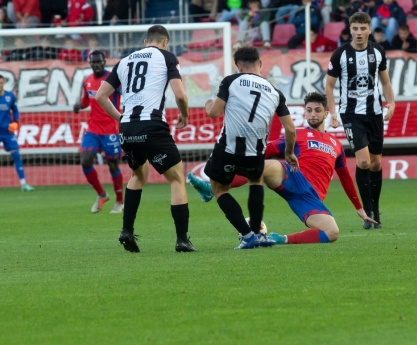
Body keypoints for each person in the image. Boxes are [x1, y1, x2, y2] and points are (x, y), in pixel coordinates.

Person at [188, 92, 375, 245]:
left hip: (310, 196)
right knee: (264, 165)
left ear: (326, 113)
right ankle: (210, 188)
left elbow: (345, 177)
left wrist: (359, 208)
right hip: (293, 175)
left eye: (317, 111)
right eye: (309, 110)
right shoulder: (298, 134)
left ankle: (280, 239)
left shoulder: (336, 144)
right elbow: (267, 149)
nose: (312, 115)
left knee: (332, 232)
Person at [95, 25, 195, 253]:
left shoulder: (124, 61)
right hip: (152, 125)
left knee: (138, 175)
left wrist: (121, 118)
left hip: (128, 128)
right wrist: (185, 115)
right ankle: (182, 239)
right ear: (164, 42)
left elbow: (101, 96)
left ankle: (126, 231)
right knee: (177, 178)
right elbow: (180, 94)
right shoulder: (167, 57)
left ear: (145, 41)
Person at [197, 47, 298, 249]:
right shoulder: (275, 92)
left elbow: (214, 113)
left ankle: (248, 235)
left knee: (219, 188)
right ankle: (259, 235)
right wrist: (288, 153)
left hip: (228, 148)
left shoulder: (231, 81)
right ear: (260, 64)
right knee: (256, 180)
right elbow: (290, 129)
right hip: (255, 152)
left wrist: (208, 104)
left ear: (238, 66)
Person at [325, 12, 395, 228]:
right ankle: (367, 213)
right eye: (354, 28)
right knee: (363, 161)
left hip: (374, 113)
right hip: (351, 114)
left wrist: (391, 103)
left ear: (369, 30)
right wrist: (333, 112)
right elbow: (329, 85)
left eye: (362, 28)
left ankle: (376, 210)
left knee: (375, 164)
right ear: (350, 29)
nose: (358, 32)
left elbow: (384, 82)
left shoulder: (378, 51)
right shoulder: (340, 54)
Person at [73, 51, 124, 213]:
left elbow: (126, 95)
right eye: (93, 62)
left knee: (113, 165)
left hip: (111, 129)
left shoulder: (113, 79)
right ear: (90, 63)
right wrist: (79, 106)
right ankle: (102, 195)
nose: (96, 64)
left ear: (104, 62)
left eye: (99, 62)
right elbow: (85, 101)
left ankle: (120, 202)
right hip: (93, 129)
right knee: (85, 160)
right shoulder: (87, 81)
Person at [0, 74, 34, 192]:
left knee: (16, 155)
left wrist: (16, 123)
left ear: (4, 83)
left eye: (0, 83)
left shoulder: (10, 96)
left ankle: (23, 184)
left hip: (8, 131)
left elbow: (16, 111)